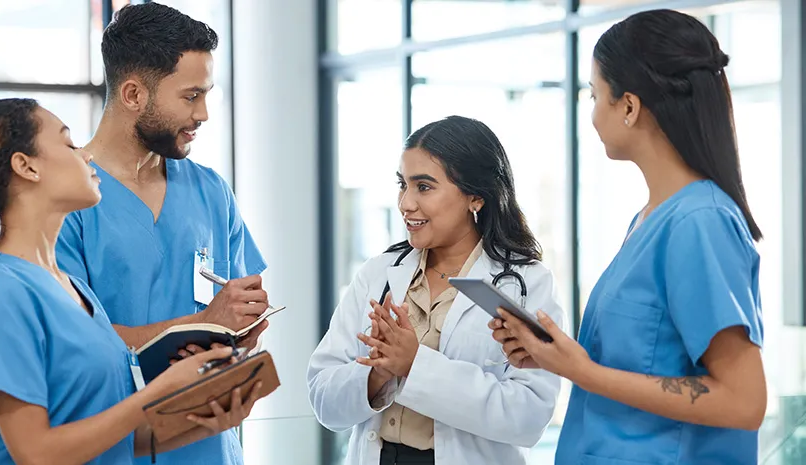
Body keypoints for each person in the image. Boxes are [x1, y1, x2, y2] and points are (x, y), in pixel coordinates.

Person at [0, 98, 263, 464]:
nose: (87, 156)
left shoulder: (77, 292)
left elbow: (116, 439)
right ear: (26, 166)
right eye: (69, 144)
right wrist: (155, 394)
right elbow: (36, 453)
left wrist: (210, 419)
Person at [491, 9, 767, 465]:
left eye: (595, 94)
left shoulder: (699, 222)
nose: (593, 112)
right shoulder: (650, 218)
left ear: (629, 107)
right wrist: (558, 358)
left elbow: (743, 400)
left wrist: (586, 373)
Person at [55, 4, 268, 465]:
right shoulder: (67, 202)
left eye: (207, 94)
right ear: (133, 94)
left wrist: (241, 331)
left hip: (211, 446)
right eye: (191, 96)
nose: (205, 114)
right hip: (115, 446)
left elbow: (233, 315)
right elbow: (75, 347)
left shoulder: (211, 191)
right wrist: (201, 322)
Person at [307, 115, 566, 465]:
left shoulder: (526, 284)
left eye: (424, 187)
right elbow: (323, 399)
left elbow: (529, 416)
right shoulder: (379, 273)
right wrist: (378, 374)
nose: (406, 203)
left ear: (476, 197)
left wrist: (415, 365)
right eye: (403, 184)